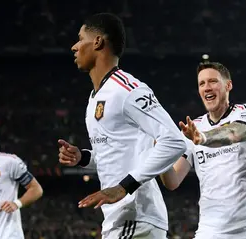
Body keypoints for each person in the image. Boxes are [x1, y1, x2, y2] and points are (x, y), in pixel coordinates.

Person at [58, 13, 186, 239]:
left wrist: (123, 187)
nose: (74, 46)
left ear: (97, 42)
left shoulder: (128, 89)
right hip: (122, 219)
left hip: (135, 215)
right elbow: (115, 155)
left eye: (80, 38)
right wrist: (83, 158)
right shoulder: (95, 98)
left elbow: (174, 141)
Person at [160, 61, 246, 239]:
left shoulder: (244, 113)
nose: (206, 87)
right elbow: (173, 181)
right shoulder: (193, 128)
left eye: (212, 81)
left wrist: (204, 138)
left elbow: (235, 132)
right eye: (202, 84)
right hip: (210, 231)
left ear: (228, 85)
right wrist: (160, 154)